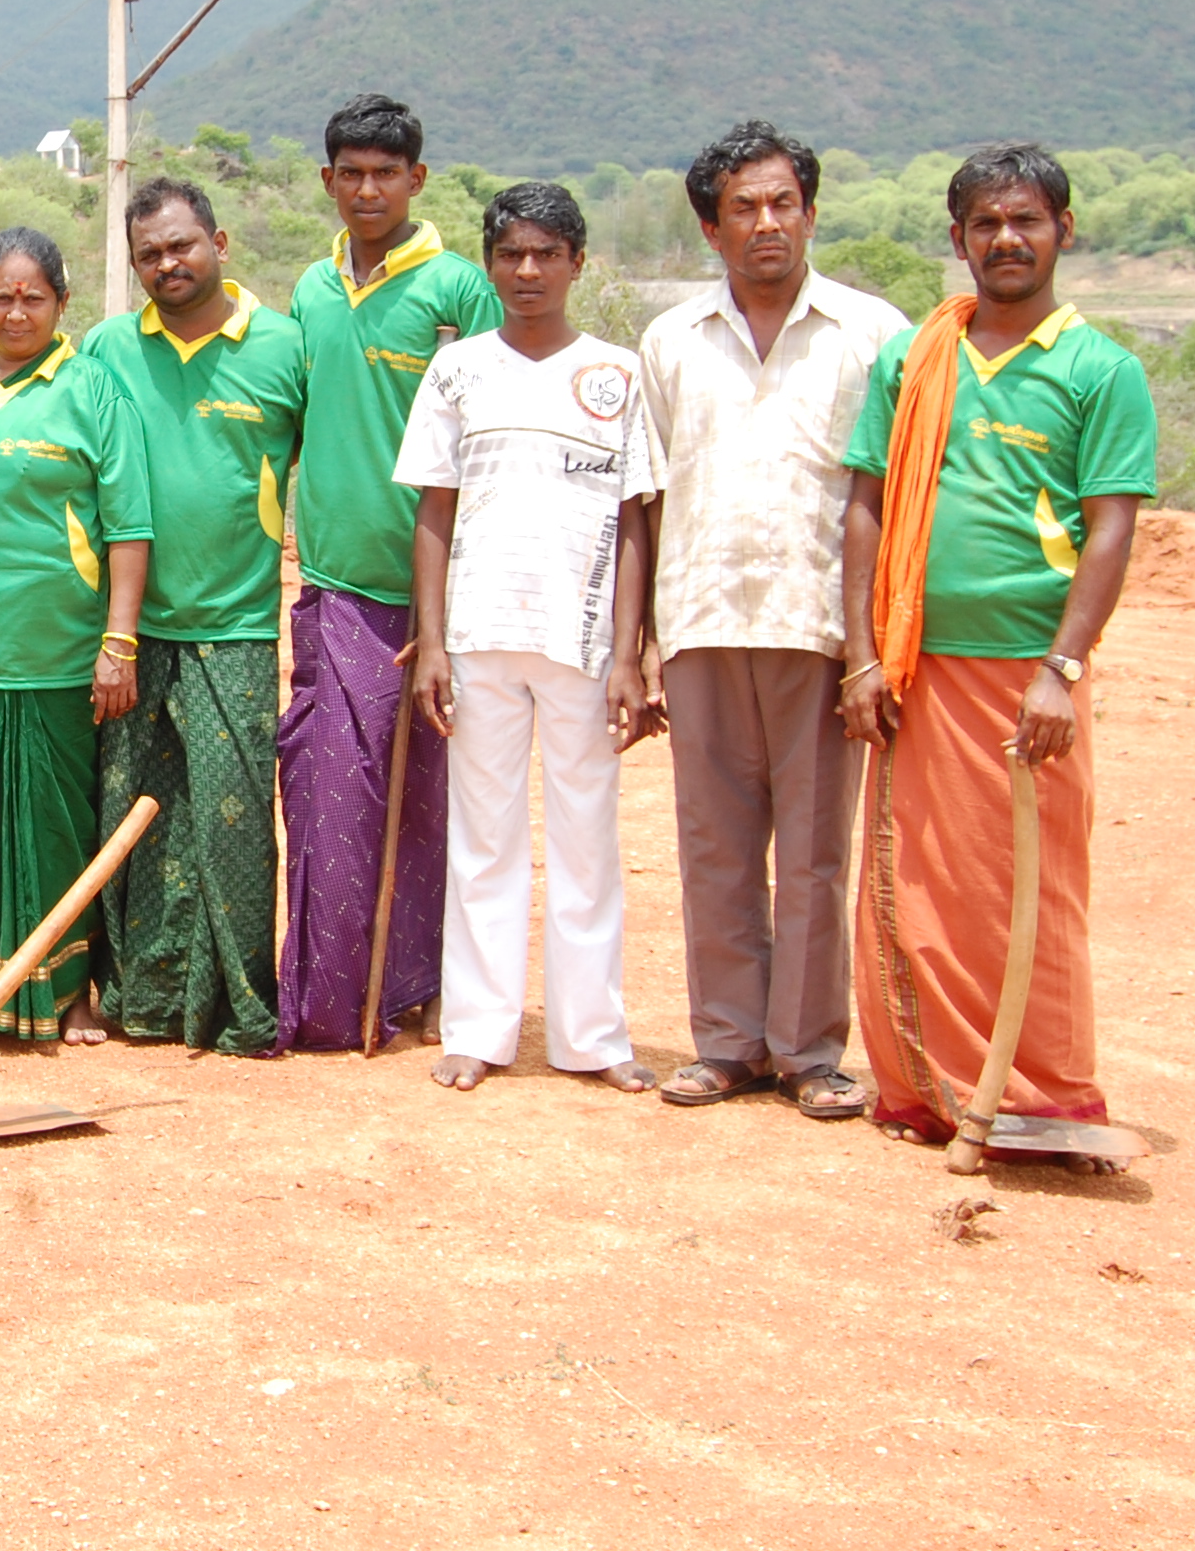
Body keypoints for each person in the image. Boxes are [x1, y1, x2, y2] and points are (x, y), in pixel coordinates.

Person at [839, 144, 1155, 1168]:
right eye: (985, 223)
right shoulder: (913, 359)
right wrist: (860, 657)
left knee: (1028, 887)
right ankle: (922, 1091)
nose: (1006, 239)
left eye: (1025, 220)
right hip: (911, 668)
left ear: (1064, 230)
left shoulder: (1098, 370)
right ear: (957, 238)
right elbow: (864, 506)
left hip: (1026, 677)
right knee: (915, 888)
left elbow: (1109, 530)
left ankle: (1043, 1094)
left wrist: (1062, 668)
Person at [640, 121, 907, 1119]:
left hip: (820, 626)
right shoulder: (671, 341)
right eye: (743, 207)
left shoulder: (871, 333)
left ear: (810, 212)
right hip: (702, 619)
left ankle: (807, 1052)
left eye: (782, 203)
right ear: (710, 228)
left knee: (813, 853)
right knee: (712, 847)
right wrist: (645, 641)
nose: (766, 223)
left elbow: (892, 493)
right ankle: (725, 1043)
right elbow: (650, 496)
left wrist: (875, 647)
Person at [399, 182, 660, 1096]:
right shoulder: (457, 370)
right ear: (489, 265)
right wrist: (433, 643)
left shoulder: (618, 373)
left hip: (582, 645)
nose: (528, 270)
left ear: (578, 263)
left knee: (588, 840)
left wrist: (629, 651)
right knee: (484, 840)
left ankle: (593, 1037)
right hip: (479, 636)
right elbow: (435, 511)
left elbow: (637, 520)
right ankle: (478, 1031)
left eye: (548, 253)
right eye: (511, 253)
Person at [273, 92, 503, 1052]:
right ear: (328, 181)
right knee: (334, 798)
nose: (368, 191)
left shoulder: (459, 291)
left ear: (418, 179)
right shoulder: (310, 289)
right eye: (351, 175)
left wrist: (450, 604)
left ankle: (421, 986)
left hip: (432, 599)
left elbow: (492, 439)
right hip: (333, 586)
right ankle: (333, 991)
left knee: (430, 802)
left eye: (386, 174)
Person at [74, 179, 302, 1055]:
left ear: (220, 242)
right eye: (149, 255)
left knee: (231, 827)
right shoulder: (106, 349)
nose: (167, 264)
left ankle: (237, 1009)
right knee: (132, 823)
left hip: (234, 626)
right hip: (126, 632)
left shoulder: (285, 347)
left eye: (181, 246)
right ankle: (141, 1000)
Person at [0, 227, 150, 1043]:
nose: (16, 313)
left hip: (60, 654)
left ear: (62, 302)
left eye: (34, 298)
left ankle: (65, 995)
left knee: (56, 832)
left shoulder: (94, 390)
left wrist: (119, 643)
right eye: (1, 298)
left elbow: (128, 526)